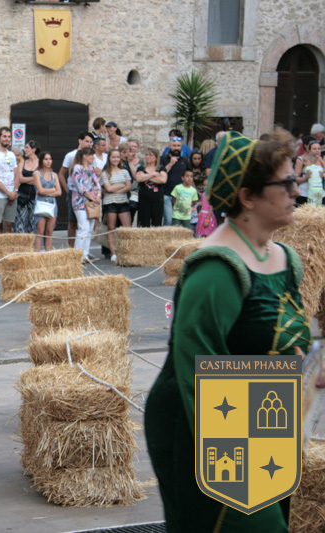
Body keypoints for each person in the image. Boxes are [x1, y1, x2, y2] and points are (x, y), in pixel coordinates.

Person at [145, 129, 316, 532]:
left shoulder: (286, 260)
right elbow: (196, 373)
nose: (297, 191)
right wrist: (238, 468)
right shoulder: (217, 269)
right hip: (208, 430)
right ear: (248, 196)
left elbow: (284, 342)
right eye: (287, 183)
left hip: (263, 423)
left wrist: (308, 369)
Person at [59, 132, 94, 248]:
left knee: (88, 222)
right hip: (75, 192)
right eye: (87, 141)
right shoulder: (71, 155)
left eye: (90, 142)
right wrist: (66, 189)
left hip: (88, 193)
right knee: (73, 221)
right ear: (80, 140)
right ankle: (71, 248)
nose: (89, 144)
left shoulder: (91, 157)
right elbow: (61, 173)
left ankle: (84, 250)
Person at [69, 147, 100, 263]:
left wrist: (98, 195)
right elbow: (80, 186)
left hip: (92, 202)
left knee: (90, 228)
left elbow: (97, 183)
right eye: (91, 155)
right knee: (84, 227)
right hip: (80, 201)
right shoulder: (77, 168)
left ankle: (85, 253)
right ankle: (78, 254)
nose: (93, 157)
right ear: (85, 156)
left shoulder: (91, 169)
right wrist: (92, 197)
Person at [101, 148, 132, 262]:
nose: (115, 159)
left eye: (117, 157)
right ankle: (113, 252)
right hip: (110, 202)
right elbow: (108, 188)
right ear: (109, 158)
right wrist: (121, 186)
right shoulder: (105, 173)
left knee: (127, 228)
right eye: (113, 157)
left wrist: (116, 189)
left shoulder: (124, 172)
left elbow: (129, 186)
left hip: (123, 201)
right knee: (111, 227)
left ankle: (126, 250)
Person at [32, 151, 61, 252]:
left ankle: (48, 253)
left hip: (52, 204)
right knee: (40, 231)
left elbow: (59, 192)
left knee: (49, 231)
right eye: (46, 159)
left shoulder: (54, 175)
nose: (48, 161)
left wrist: (46, 192)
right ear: (41, 161)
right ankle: (37, 253)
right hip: (41, 203)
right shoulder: (37, 173)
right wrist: (53, 190)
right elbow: (40, 190)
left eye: (50, 159)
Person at [161, 135, 191, 225]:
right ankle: (165, 238)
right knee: (169, 219)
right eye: (174, 146)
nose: (176, 148)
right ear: (169, 146)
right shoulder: (163, 159)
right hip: (167, 194)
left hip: (181, 196)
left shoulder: (185, 161)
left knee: (179, 221)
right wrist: (170, 163)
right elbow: (161, 173)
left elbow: (189, 177)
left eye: (178, 146)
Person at [135, 148, 167, 228]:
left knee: (157, 222)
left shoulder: (161, 168)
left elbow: (163, 180)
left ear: (156, 157)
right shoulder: (141, 168)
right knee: (143, 222)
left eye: (150, 155)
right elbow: (138, 178)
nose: (148, 157)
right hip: (144, 198)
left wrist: (145, 176)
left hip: (157, 198)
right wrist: (153, 174)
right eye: (147, 155)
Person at [14, 140, 40, 234]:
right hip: (22, 196)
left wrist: (28, 179)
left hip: (34, 196)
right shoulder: (23, 163)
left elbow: (40, 179)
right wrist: (34, 178)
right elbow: (19, 178)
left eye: (27, 148)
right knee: (20, 222)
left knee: (33, 222)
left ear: (34, 149)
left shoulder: (40, 163)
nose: (24, 150)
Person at [294, 139, 322, 206]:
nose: (317, 151)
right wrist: (305, 178)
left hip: (320, 193)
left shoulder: (322, 160)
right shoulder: (302, 160)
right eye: (314, 149)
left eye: (319, 149)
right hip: (305, 193)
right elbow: (295, 178)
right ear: (309, 151)